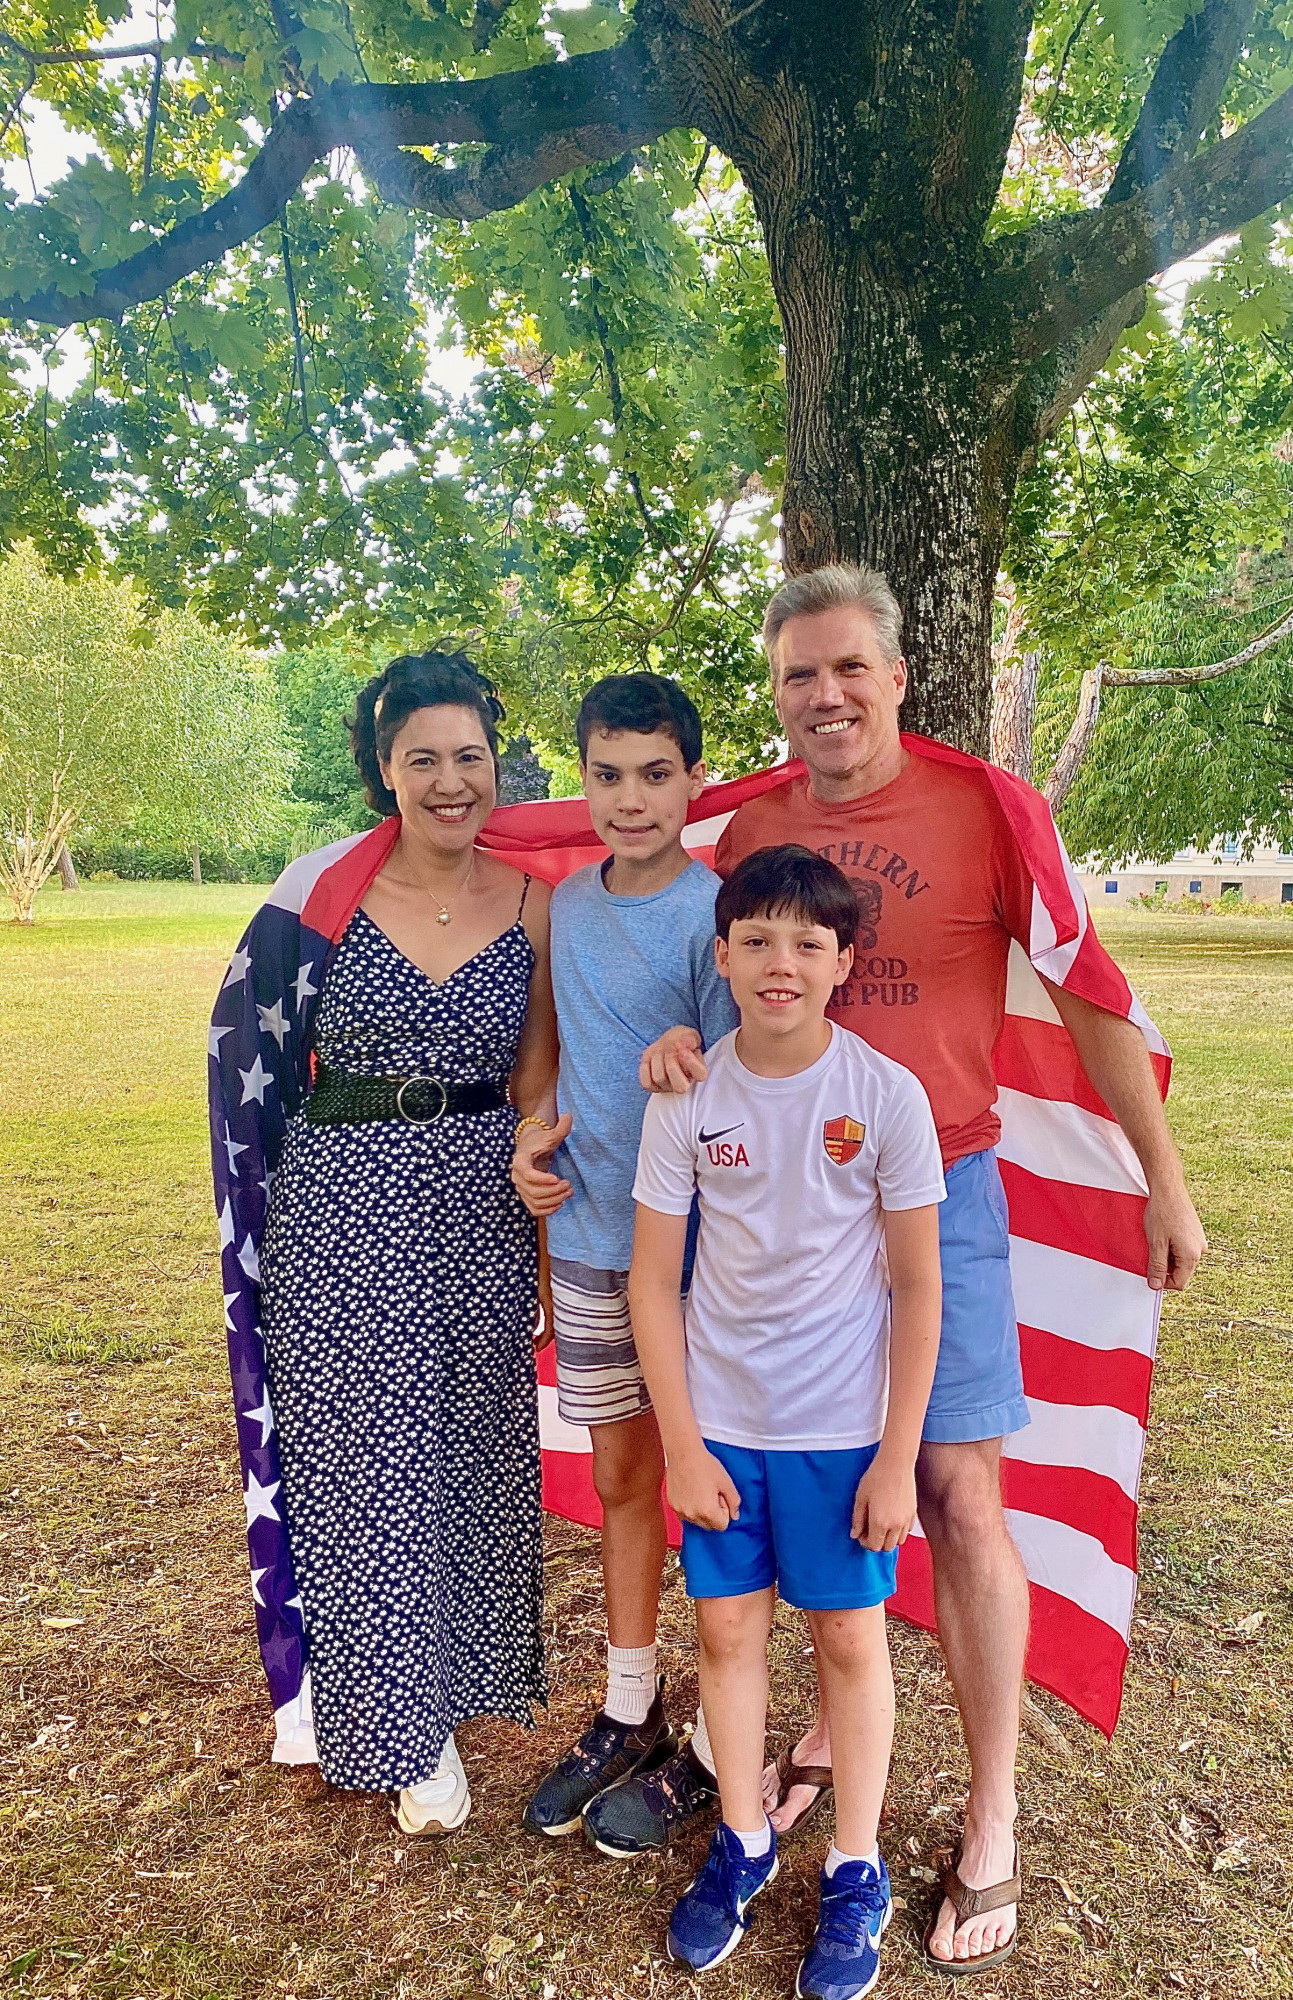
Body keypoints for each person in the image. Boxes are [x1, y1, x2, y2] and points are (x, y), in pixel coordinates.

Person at [601, 564, 1207, 1973]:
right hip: (781, 1215)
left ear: (896, 676)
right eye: (797, 675)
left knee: (954, 1491)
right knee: (803, 1467)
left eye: (847, 668)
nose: (824, 696)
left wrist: (1161, 1172)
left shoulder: (985, 808)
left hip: (943, 1194)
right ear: (777, 692)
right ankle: (821, 1735)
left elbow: (1086, 989)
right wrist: (667, 1047)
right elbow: (678, 941)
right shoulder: (751, 823)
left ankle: (991, 1811)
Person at [252, 651, 559, 1835]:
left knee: (469, 1453)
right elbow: (253, 1063)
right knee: (368, 1459)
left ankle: (447, 1684)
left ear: (494, 764)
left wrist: (542, 1233)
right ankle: (401, 1731)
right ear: (385, 768)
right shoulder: (320, 893)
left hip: (481, 1203)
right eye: (421, 757)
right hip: (346, 1200)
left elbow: (536, 1078)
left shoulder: (534, 902)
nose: (449, 779)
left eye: (468, 755)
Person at [630, 844, 944, 1995]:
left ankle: (857, 1867)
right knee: (725, 1635)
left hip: (844, 1433)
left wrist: (898, 1458)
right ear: (721, 955)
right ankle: (744, 1838)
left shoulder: (885, 1095)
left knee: (849, 1639)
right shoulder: (687, 1094)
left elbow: (920, 1284)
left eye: (809, 943)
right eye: (756, 939)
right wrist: (682, 1442)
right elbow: (651, 1281)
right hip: (723, 1427)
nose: (782, 962)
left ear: (843, 961)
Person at [511, 672, 738, 1839]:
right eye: (607, 775)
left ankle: (723, 1733)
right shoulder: (567, 905)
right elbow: (545, 1057)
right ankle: (630, 1702)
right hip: (593, 1241)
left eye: (656, 774)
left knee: (719, 1490)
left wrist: (694, 1046)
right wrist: (529, 1141)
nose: (631, 798)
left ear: (696, 780)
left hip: (703, 1260)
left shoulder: (718, 912)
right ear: (584, 780)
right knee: (620, 1476)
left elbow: (754, 1079)